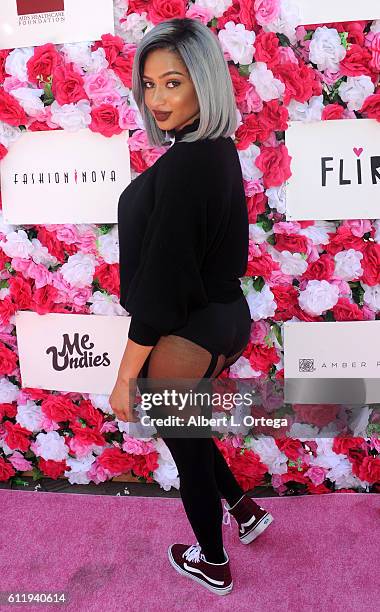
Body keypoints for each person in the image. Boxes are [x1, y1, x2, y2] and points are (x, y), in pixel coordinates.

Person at [110, 17, 273, 596]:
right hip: (226, 321)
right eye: (149, 85)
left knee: (186, 450)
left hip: (187, 331)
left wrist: (126, 376)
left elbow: (161, 286)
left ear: (204, 82)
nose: (156, 99)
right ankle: (246, 512)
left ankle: (213, 562)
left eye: (173, 83)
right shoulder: (214, 151)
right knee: (193, 428)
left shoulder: (187, 165)